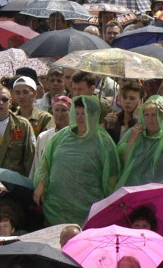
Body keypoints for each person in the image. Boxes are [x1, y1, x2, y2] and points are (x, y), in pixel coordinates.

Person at [35, 96, 121, 226]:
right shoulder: (60, 137)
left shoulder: (105, 143)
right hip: (56, 208)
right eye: (78, 113)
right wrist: (41, 184)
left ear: (94, 116)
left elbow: (111, 179)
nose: (80, 117)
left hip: (87, 211)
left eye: (85, 114)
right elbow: (46, 163)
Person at [117, 95, 163, 188]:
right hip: (134, 188)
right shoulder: (135, 133)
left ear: (161, 116)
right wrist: (132, 141)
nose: (150, 119)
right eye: (146, 115)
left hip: (159, 189)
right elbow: (122, 159)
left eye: (154, 115)